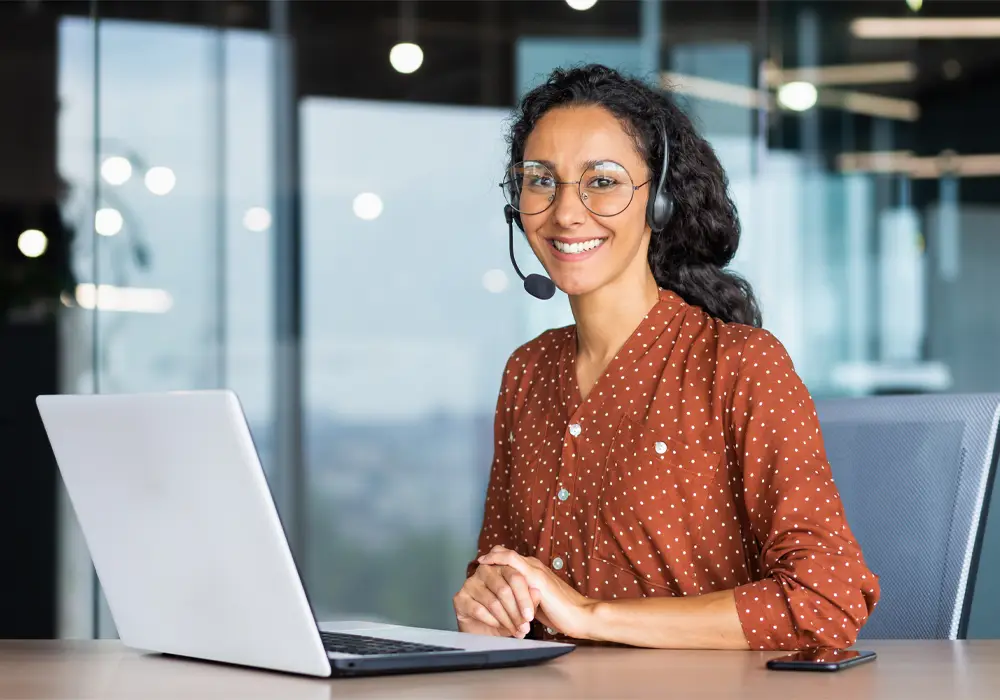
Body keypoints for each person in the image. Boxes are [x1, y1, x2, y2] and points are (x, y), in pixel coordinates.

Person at [452, 64, 880, 651]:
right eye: (540, 180)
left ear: (658, 199)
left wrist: (590, 616)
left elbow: (827, 600)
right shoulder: (527, 371)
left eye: (602, 181)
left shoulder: (740, 364)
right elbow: (500, 570)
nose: (565, 212)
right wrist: (489, 600)